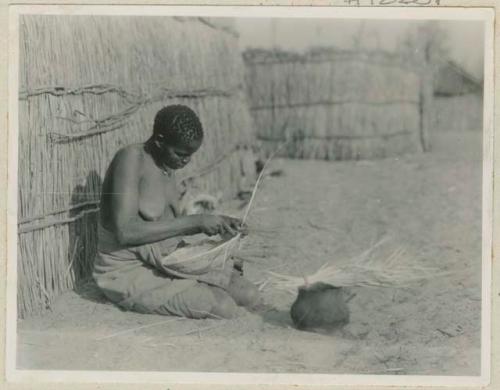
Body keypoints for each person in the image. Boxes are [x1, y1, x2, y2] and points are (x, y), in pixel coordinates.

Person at [93, 105, 260, 319]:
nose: (185, 161)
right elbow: (126, 231)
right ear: (160, 140)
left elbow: (166, 227)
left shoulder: (167, 165)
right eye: (180, 154)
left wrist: (222, 225)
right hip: (126, 270)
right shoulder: (130, 159)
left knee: (249, 295)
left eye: (190, 155)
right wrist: (195, 222)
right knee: (223, 307)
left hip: (167, 259)